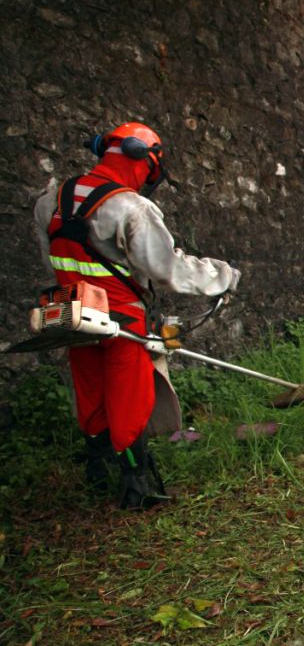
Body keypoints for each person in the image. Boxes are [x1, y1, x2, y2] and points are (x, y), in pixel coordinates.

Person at [33, 122, 240, 510]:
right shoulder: (130, 207)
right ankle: (136, 486)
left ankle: (97, 474)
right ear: (141, 160)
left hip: (72, 314)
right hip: (121, 318)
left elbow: (53, 261)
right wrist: (221, 277)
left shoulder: (52, 200)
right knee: (130, 397)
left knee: (91, 394)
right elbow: (167, 269)